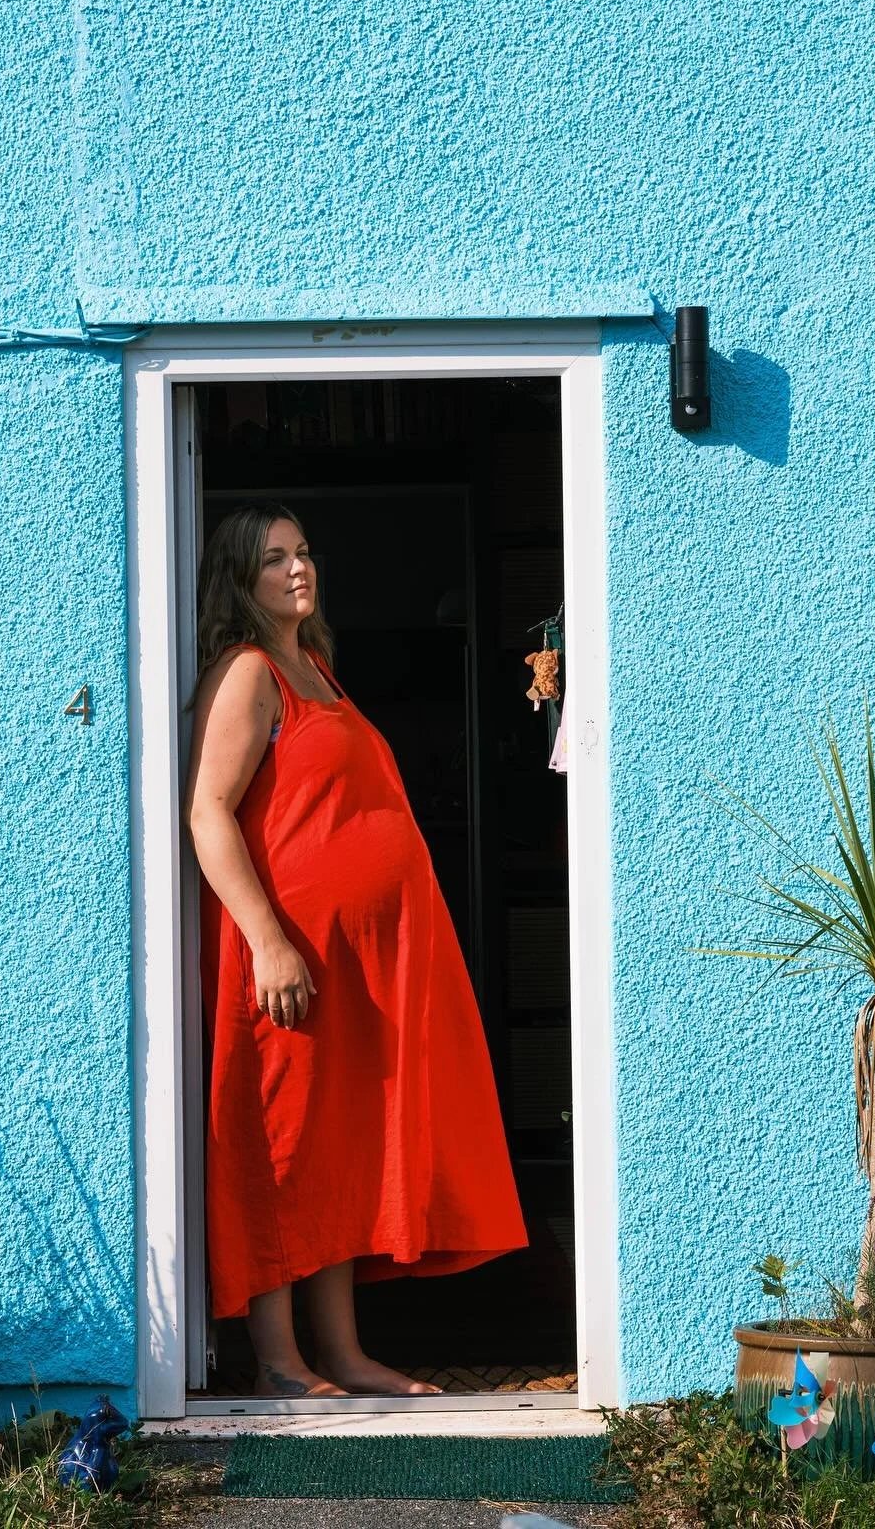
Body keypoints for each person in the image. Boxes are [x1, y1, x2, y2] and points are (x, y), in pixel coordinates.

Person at [182, 503, 529, 1398]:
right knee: (284, 1151)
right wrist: (268, 941)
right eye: (274, 559)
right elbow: (207, 813)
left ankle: (339, 1352)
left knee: (336, 1152)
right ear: (238, 579)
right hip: (289, 960)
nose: (299, 569)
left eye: (304, 552)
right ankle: (278, 1359)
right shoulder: (250, 672)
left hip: (350, 967)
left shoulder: (316, 670)